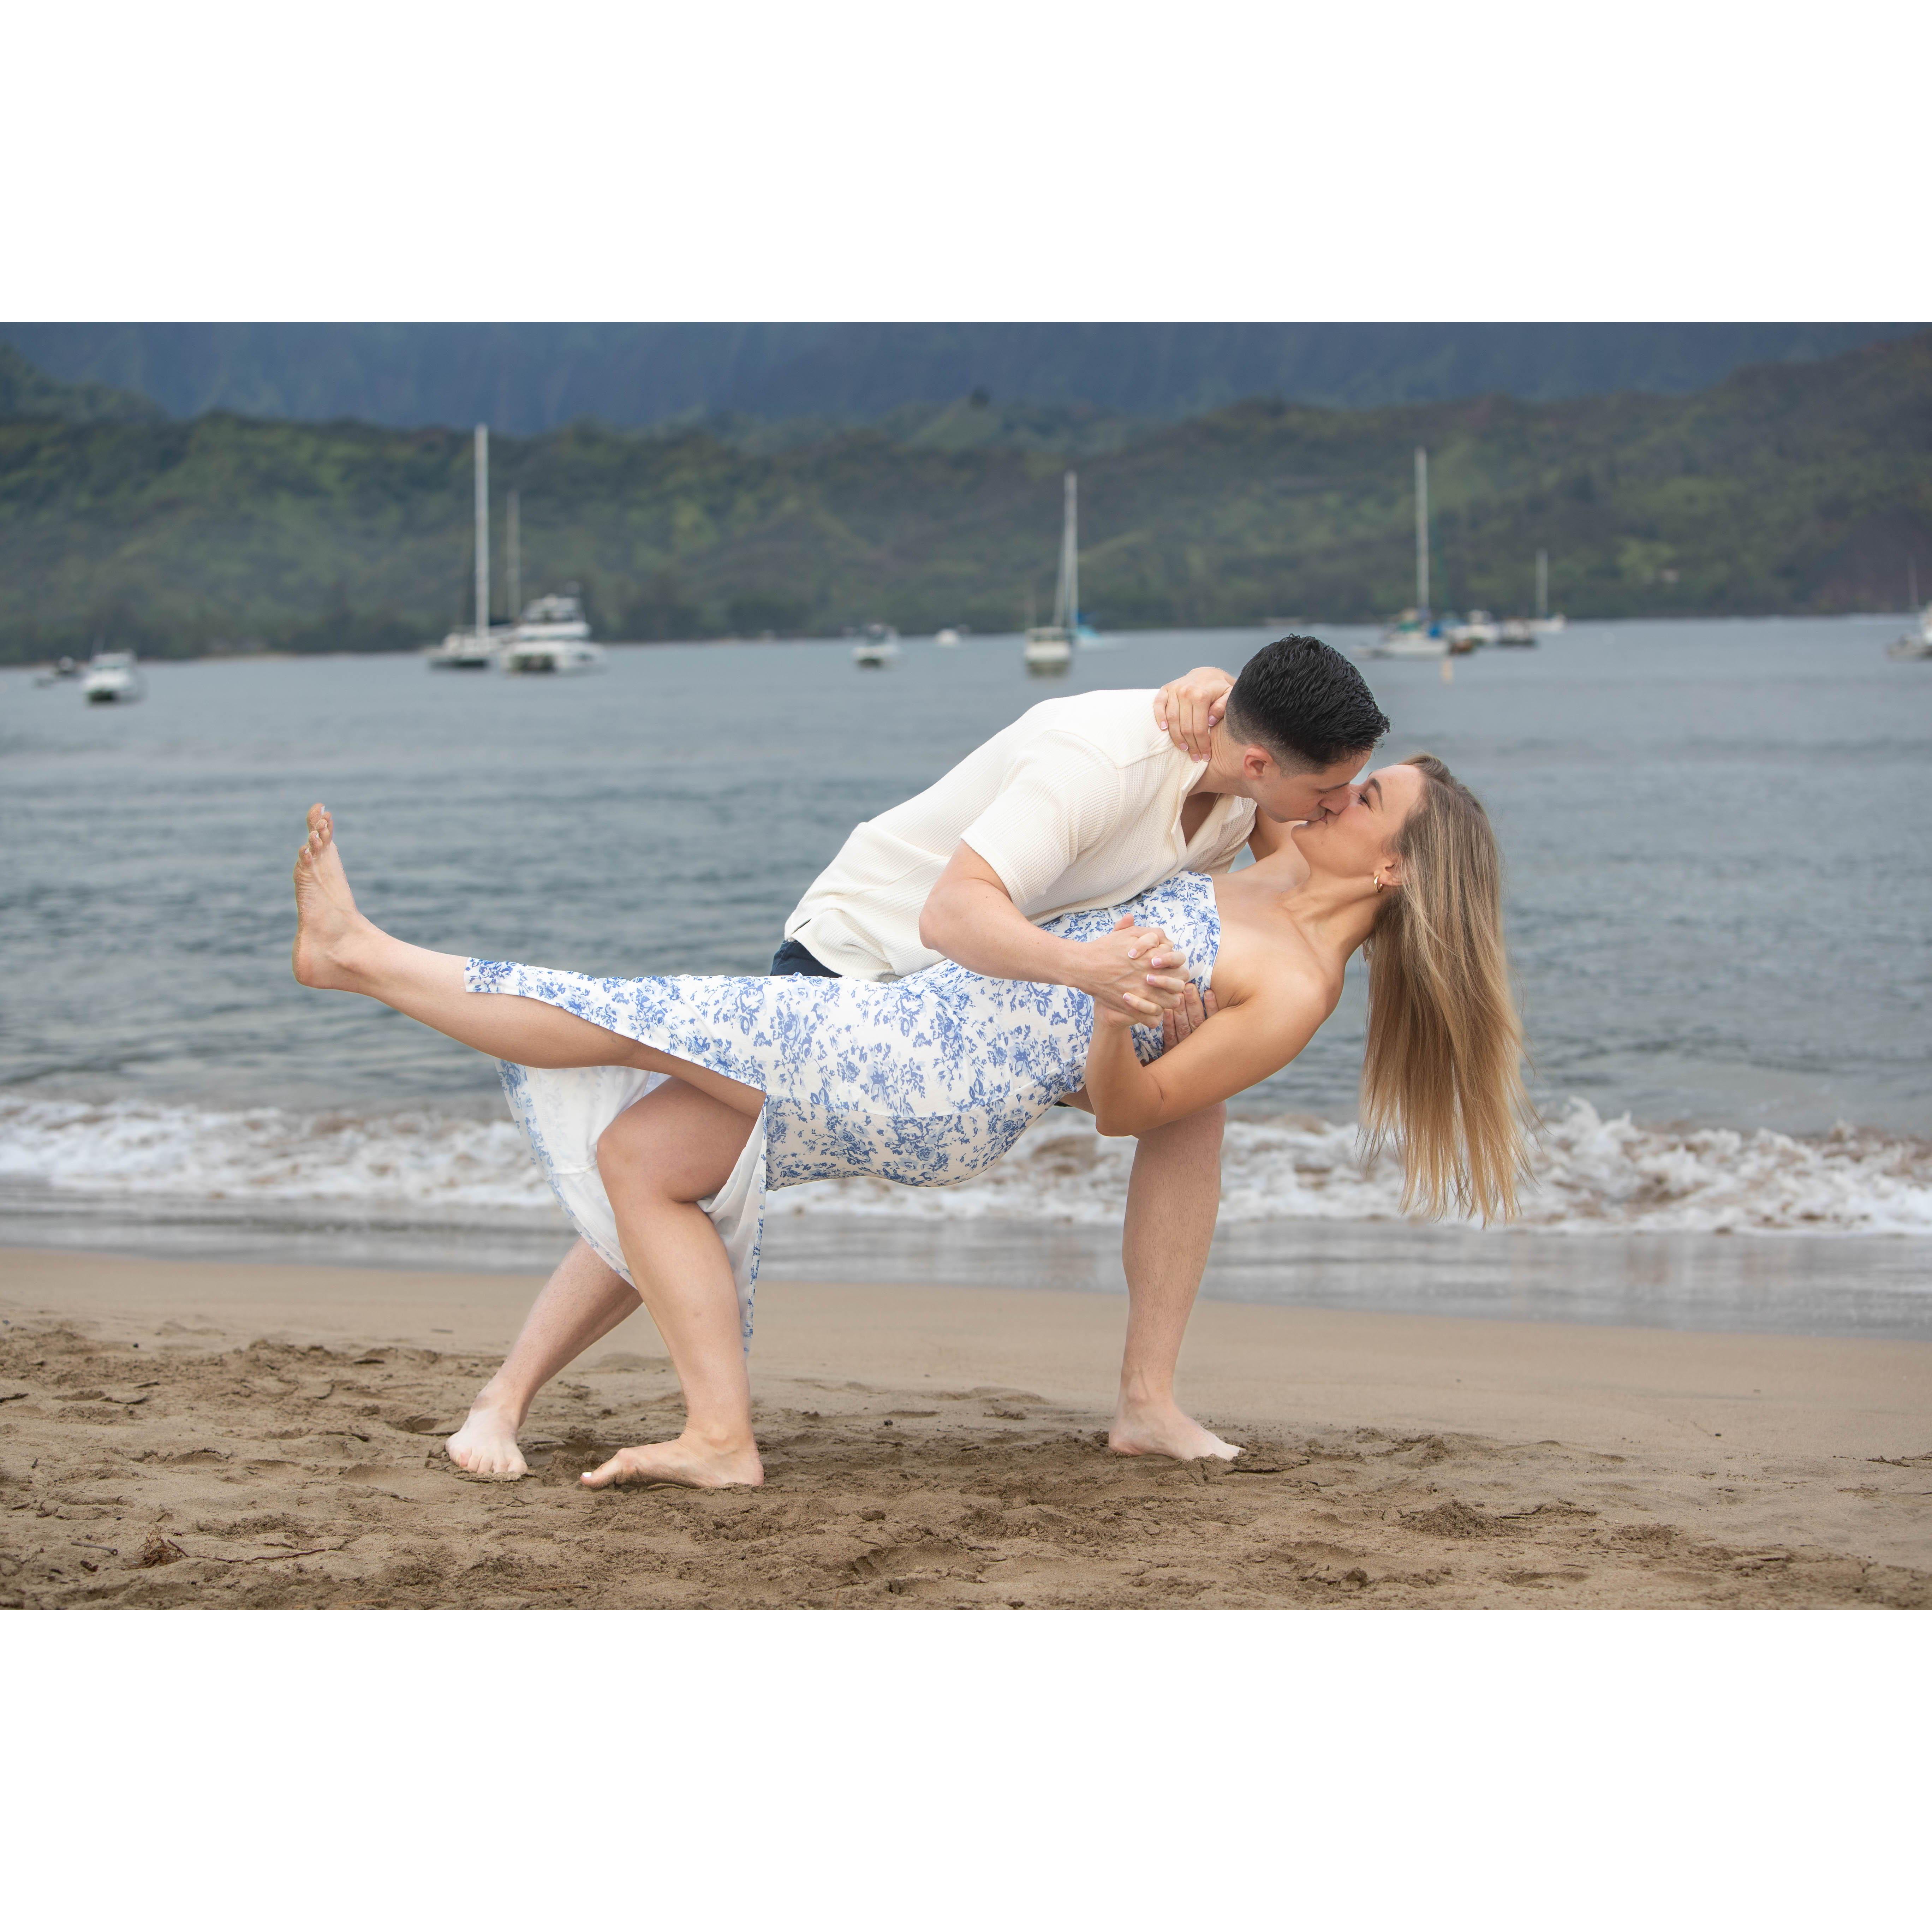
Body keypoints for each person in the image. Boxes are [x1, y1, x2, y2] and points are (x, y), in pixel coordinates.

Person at [290, 740, 1530, 1491]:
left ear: (1393, 869)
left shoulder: (1297, 988)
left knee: (626, 1015)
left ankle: (356, 956)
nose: (1339, 795)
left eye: (1369, 799)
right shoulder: (1267, 864)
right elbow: (1244, 752)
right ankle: (718, 1435)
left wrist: (1114, 1007)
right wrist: (1197, 706)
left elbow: (1133, 1112)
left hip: (924, 1070)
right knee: (647, 1159)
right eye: (1348, 781)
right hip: (915, 1032)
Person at [438, 637, 1389, 1479]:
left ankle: (1148, 1402)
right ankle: (509, 1398)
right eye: (1332, 794)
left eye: (1355, 794)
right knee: (667, 1163)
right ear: (1260, 763)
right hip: (871, 964)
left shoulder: (1246, 793)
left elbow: (1294, 849)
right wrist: (1098, 977)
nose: (1339, 807)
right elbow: (951, 914)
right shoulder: (1103, 760)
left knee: (1192, 1103)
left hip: (995, 1011)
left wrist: (1156, 1000)